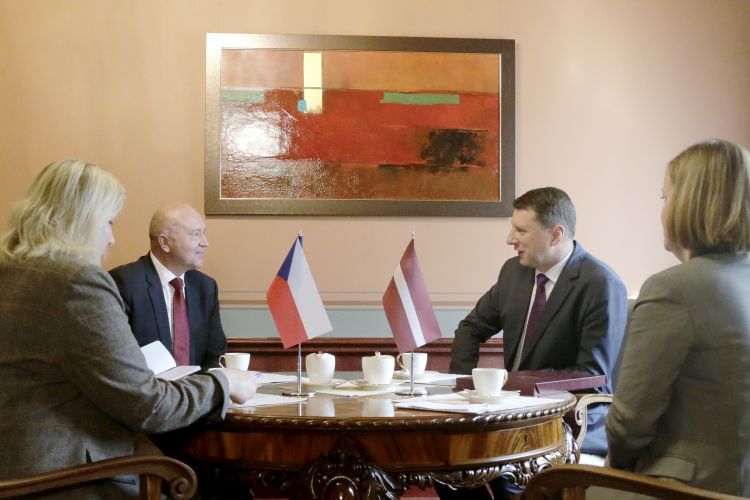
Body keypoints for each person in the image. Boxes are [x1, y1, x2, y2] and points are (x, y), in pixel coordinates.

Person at [0, 160, 257, 498]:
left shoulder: (12, 273)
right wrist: (223, 383)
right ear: (81, 220)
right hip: (68, 481)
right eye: (109, 222)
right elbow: (148, 406)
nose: (112, 238)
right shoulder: (78, 283)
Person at [606, 139, 750, 496]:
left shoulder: (674, 288)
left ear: (687, 203)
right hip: (737, 482)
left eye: (664, 197)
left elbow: (628, 425)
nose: (662, 211)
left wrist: (611, 471)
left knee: (547, 486)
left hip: (690, 488)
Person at [450, 187, 628, 454]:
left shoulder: (601, 284)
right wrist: (463, 386)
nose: (510, 239)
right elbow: (470, 329)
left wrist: (519, 387)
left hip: (568, 419)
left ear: (556, 235)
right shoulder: (513, 272)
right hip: (510, 414)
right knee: (449, 458)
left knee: (489, 464)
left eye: (521, 231)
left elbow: (591, 376)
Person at [110, 203, 226, 369]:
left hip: (198, 385)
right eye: (196, 234)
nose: (205, 242)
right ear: (165, 243)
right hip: (146, 384)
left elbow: (215, 356)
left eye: (204, 233)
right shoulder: (123, 283)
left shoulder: (205, 287)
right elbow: (119, 360)